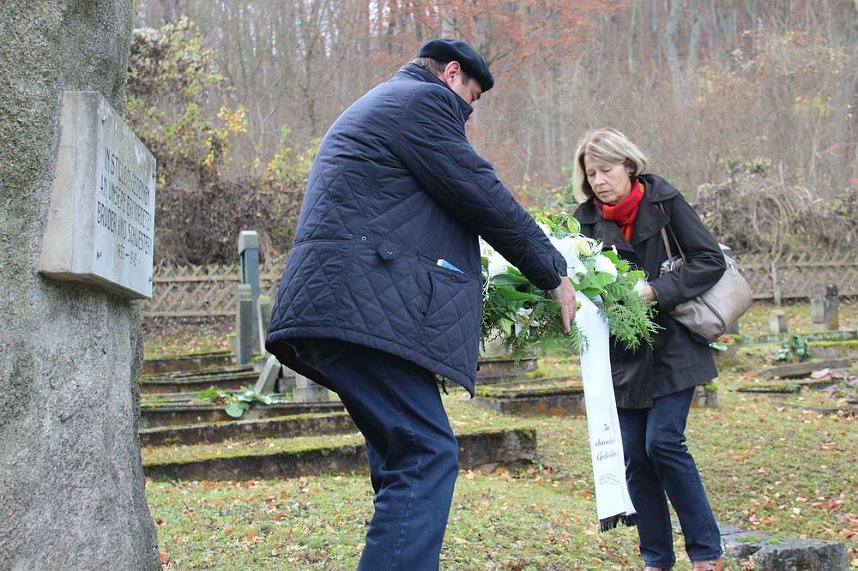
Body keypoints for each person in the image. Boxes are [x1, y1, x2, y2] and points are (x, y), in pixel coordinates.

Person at [265, 38, 577, 570]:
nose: (469, 112)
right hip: (357, 308)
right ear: (451, 74)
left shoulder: (388, 103)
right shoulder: (420, 102)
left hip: (347, 308)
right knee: (425, 453)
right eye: (471, 97)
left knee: (400, 459)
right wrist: (554, 273)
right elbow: (480, 192)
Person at [572, 128, 726, 571]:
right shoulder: (582, 223)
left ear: (629, 166)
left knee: (664, 443)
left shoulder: (664, 202)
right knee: (635, 459)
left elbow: (708, 259)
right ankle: (656, 559)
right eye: (591, 173)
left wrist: (654, 292)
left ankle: (706, 553)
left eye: (606, 170)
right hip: (622, 355)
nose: (599, 180)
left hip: (675, 344)